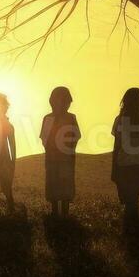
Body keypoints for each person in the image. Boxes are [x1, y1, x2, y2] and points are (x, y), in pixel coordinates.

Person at [110, 87, 139, 224]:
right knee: (134, 195)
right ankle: (134, 223)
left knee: (127, 195)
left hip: (123, 163)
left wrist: (113, 167)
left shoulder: (120, 120)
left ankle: (130, 223)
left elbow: (116, 146)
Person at [40, 86, 81, 217]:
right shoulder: (67, 118)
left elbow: (44, 139)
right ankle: (59, 213)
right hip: (60, 159)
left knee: (60, 184)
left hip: (60, 159)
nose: (66, 105)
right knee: (58, 184)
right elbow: (76, 136)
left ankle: (60, 213)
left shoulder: (64, 118)